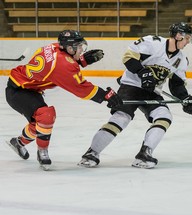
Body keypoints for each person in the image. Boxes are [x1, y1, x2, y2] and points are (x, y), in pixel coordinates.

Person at [78, 22, 192, 169]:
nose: (187, 42)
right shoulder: (153, 43)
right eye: (187, 38)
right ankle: (92, 153)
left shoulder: (181, 60)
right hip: (131, 86)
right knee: (121, 118)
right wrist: (143, 73)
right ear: (179, 36)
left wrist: (186, 99)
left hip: (152, 92)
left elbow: (176, 84)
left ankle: (144, 154)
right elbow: (129, 58)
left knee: (164, 117)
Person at [5, 30, 123, 170]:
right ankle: (42, 152)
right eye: (79, 47)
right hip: (19, 91)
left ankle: (18, 143)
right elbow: (82, 89)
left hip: (26, 87)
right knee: (46, 115)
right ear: (69, 48)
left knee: (39, 124)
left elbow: (59, 63)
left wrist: (82, 60)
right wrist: (106, 95)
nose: (81, 50)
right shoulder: (63, 65)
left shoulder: (54, 47)